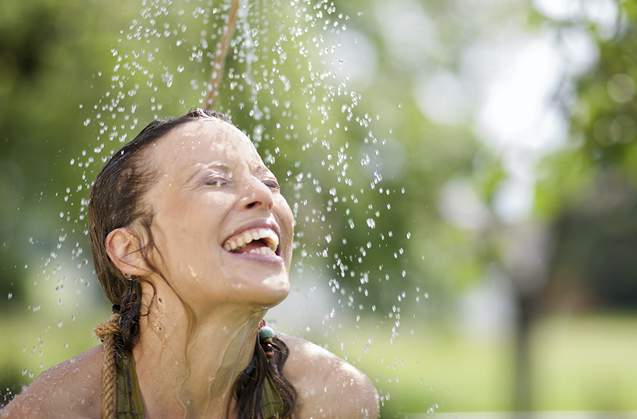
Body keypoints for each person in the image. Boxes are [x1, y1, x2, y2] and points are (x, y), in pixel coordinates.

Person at [2, 108, 380, 418]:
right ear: (132, 250)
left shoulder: (330, 399)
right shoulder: (54, 412)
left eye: (271, 182)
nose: (262, 195)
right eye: (215, 181)